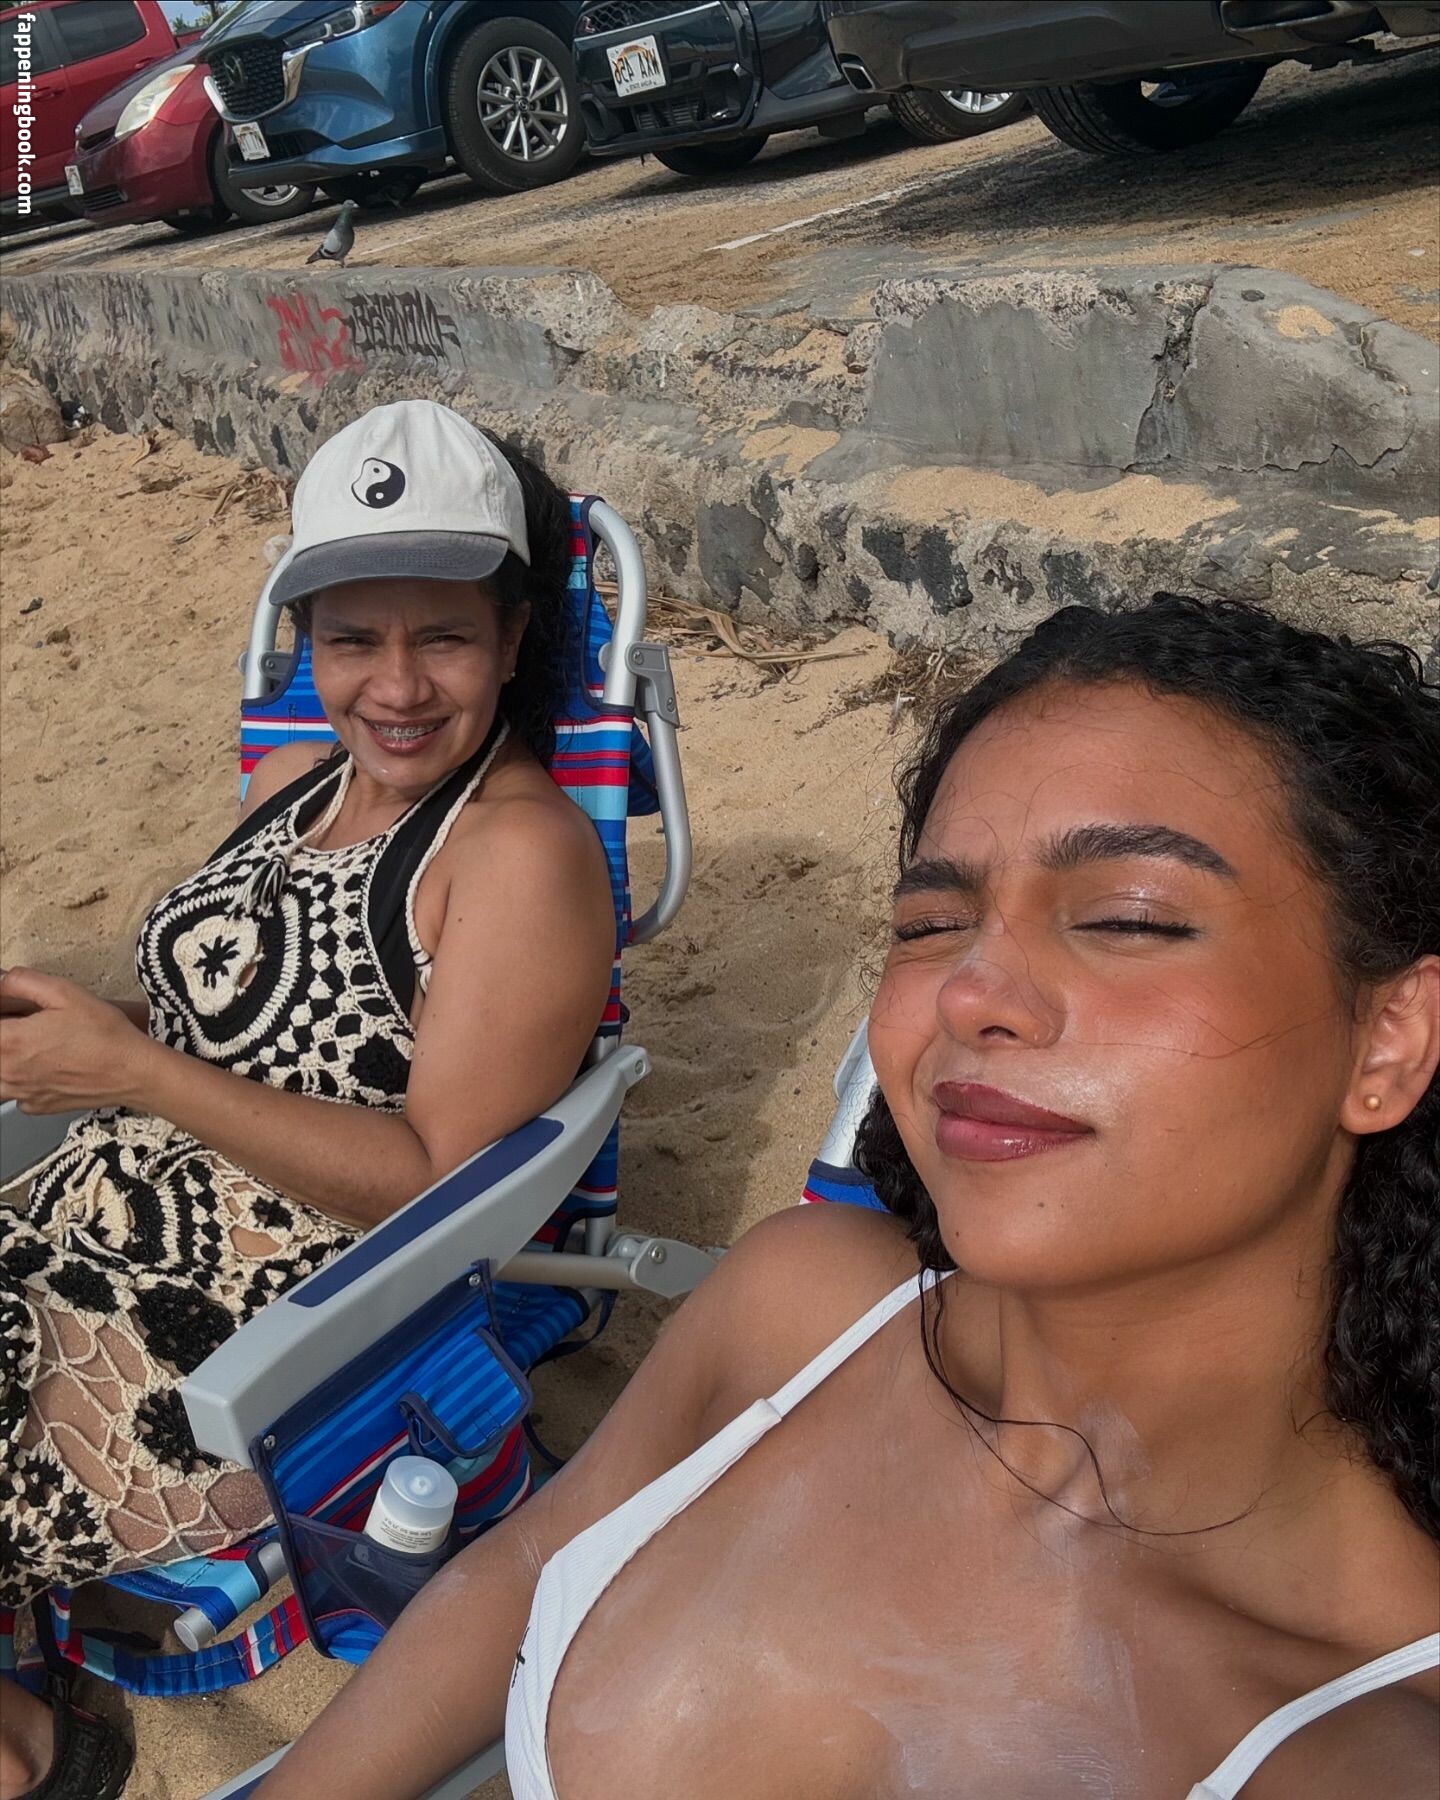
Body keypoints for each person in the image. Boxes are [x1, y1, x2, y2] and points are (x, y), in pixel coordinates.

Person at [259, 595, 1436, 1800]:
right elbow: (521, 1568)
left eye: (1126, 918)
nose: (972, 990)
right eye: (933, 923)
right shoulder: (805, 1310)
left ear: (1389, 1037)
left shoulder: (1359, 1748)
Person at [0, 401, 616, 1800]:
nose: (395, 686)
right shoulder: (294, 782)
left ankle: (32, 1753)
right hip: (82, 1228)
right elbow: (221, 1012)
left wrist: (137, 1074)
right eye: (352, 640)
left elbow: (437, 1182)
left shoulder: (518, 856)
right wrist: (80, 1025)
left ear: (513, 638)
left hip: (242, 1330)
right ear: (308, 642)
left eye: (442, 637)